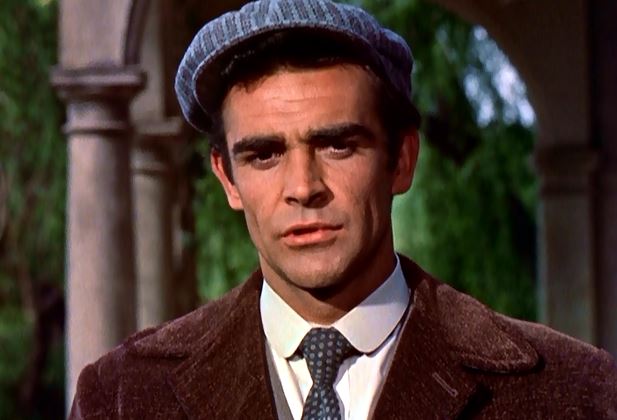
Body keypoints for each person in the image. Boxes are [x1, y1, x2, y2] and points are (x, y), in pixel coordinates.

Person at [69, 0, 617, 418]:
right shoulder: (121, 396)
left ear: (401, 161)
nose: (303, 187)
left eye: (338, 145)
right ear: (228, 178)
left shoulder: (573, 391)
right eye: (264, 154)